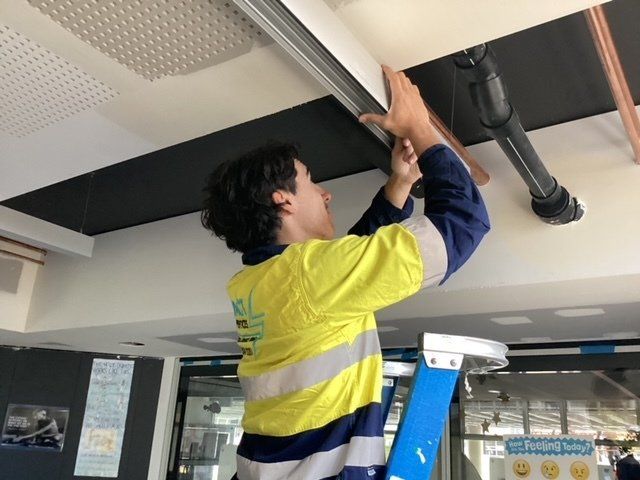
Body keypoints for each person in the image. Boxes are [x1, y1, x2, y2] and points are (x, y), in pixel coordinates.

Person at [201, 65, 490, 479]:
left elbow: (339, 279)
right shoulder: (305, 275)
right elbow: (462, 222)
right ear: (283, 201)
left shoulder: (255, 280)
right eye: (310, 181)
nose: (325, 192)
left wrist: (400, 184)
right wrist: (421, 130)